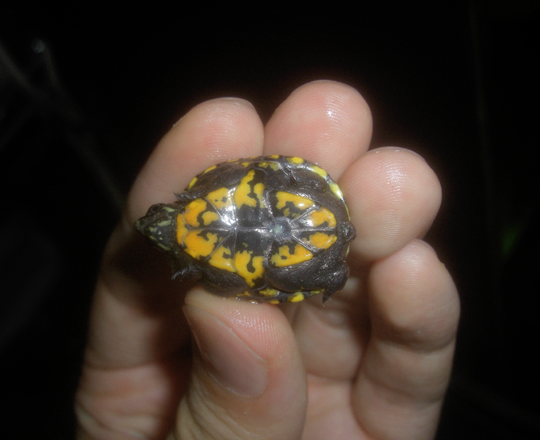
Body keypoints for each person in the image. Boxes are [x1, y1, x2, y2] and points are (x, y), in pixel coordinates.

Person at [74, 80, 460, 440]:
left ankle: (328, 273)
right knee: (270, 270)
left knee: (270, 274)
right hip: (285, 210)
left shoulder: (200, 263)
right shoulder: (202, 195)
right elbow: (252, 176)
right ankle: (327, 272)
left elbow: (240, 279)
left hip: (280, 235)